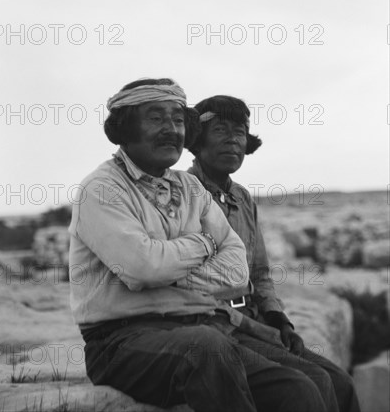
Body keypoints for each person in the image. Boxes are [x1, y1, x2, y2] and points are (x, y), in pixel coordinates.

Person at [68, 77, 329, 412]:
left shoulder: (188, 188)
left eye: (178, 120)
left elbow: (237, 271)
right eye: (156, 118)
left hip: (198, 325)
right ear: (125, 127)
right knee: (207, 347)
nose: (172, 130)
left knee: (299, 388)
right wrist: (205, 244)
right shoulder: (101, 188)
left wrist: (169, 263)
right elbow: (144, 268)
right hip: (120, 342)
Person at [187, 94, 361, 412]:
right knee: (308, 387)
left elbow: (260, 273)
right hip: (213, 324)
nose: (233, 140)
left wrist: (278, 319)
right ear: (197, 141)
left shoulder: (242, 198)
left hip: (252, 319)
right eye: (221, 130)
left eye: (239, 131)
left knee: (341, 383)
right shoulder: (183, 194)